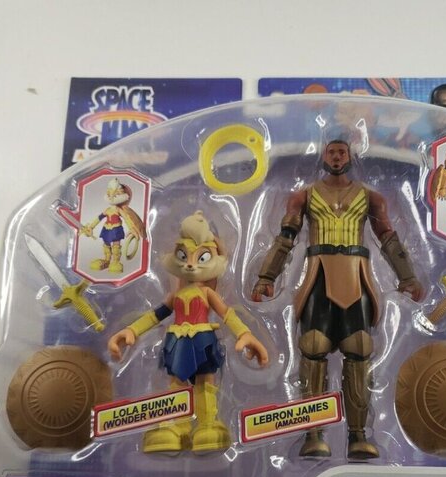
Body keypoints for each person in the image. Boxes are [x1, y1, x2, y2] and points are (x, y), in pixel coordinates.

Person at [252, 140, 422, 460]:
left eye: (341, 151)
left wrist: (407, 276)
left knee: (359, 350)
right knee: (313, 348)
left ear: (350, 156)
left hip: (358, 277)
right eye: (331, 152)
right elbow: (286, 238)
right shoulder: (303, 196)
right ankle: (313, 434)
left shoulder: (371, 198)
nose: (336, 157)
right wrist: (267, 277)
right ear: (323, 156)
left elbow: (388, 237)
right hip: (318, 276)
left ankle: (358, 436)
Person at [109, 211, 268, 454]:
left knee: (205, 383)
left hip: (203, 340)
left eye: (201, 257)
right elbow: (155, 315)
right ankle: (177, 426)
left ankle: (207, 423)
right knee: (177, 383)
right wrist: (131, 330)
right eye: (184, 256)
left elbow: (227, 314)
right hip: (177, 342)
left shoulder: (207, 293)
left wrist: (245, 335)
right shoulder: (175, 295)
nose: (191, 264)